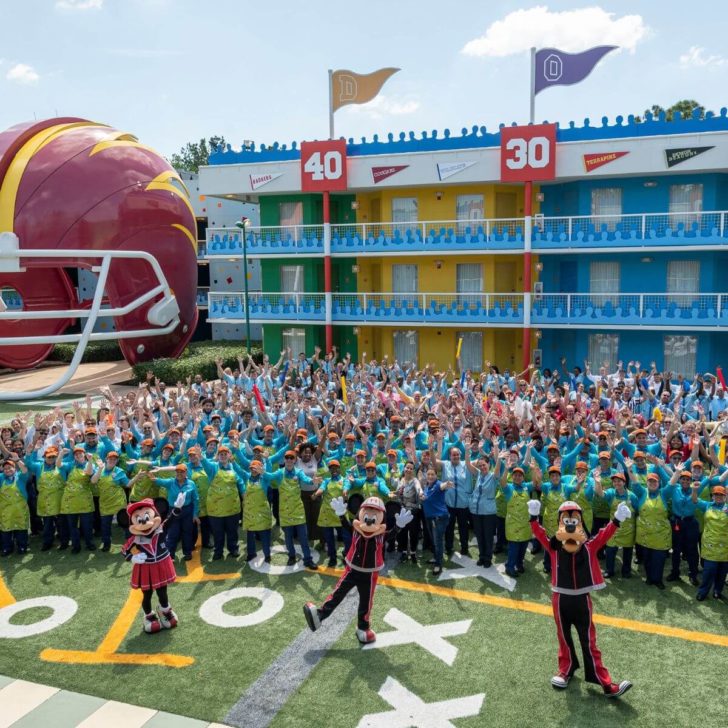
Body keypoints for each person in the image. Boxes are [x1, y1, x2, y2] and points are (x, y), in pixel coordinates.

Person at [266, 451, 319, 569]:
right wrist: (264, 468)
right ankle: (291, 556)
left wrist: (312, 481)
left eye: (292, 458)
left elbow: (306, 479)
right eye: (287, 458)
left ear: (295, 460)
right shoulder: (280, 473)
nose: (289, 460)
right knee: (288, 537)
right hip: (284, 511)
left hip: (298, 510)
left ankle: (308, 559)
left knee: (303, 537)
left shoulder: (299, 472)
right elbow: (269, 476)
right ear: (284, 460)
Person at [147, 463, 200, 560]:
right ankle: (170, 554)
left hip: (187, 510)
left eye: (182, 472)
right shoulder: (170, 482)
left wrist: (195, 514)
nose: (179, 473)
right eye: (177, 472)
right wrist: (150, 474)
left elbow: (195, 499)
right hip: (173, 511)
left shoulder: (191, 483)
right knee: (172, 532)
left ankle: (187, 552)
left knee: (187, 532)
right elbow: (157, 481)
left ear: (186, 473)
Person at [692, 484, 728, 601]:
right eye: (716, 495)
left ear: (725, 496)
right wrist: (695, 490)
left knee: (722, 573)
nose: (718, 497)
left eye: (721, 495)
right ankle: (703, 592)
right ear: (712, 496)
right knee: (708, 571)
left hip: (725, 547)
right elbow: (695, 499)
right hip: (709, 545)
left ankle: (717, 591)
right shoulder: (707, 505)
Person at [313, 460, 350, 567]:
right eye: (331, 468)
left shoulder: (345, 480)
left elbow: (346, 488)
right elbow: (321, 489)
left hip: (341, 513)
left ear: (339, 469)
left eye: (336, 468)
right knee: (329, 539)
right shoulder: (326, 480)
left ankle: (347, 555)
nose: (334, 470)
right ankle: (332, 558)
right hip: (327, 513)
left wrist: (345, 493)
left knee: (347, 537)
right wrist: (316, 494)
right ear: (329, 470)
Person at [90, 450, 129, 551]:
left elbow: (127, 484)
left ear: (117, 461)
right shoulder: (100, 470)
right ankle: (106, 544)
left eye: (114, 459)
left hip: (118, 502)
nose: (112, 460)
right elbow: (93, 481)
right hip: (105, 502)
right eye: (110, 458)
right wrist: (99, 468)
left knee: (125, 523)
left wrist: (137, 477)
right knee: (105, 525)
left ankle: (130, 543)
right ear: (106, 459)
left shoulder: (119, 471)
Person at [59, 447, 96, 553]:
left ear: (84, 454)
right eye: (76, 454)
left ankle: (89, 543)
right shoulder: (70, 465)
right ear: (74, 456)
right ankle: (76, 546)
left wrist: (89, 461)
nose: (78, 455)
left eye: (80, 453)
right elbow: (58, 465)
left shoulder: (90, 464)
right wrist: (61, 454)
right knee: (72, 526)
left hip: (85, 500)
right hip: (70, 500)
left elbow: (89, 473)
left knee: (87, 525)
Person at [466, 450, 498, 568]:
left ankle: (488, 558)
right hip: (476, 511)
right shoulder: (479, 474)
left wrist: (498, 458)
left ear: (489, 464)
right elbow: (468, 465)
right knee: (479, 535)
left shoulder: (493, 476)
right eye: (480, 466)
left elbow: (498, 468)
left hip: (489, 513)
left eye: (484, 465)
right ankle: (481, 556)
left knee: (488, 536)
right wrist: (467, 450)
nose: (482, 467)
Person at [421, 467, 452, 575]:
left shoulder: (438, 484)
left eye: (432, 474)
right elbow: (426, 497)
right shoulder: (427, 486)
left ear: (436, 475)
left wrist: (446, 484)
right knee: (434, 541)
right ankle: (436, 557)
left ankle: (438, 564)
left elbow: (442, 486)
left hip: (438, 518)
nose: (430, 476)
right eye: (428, 474)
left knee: (438, 541)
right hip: (430, 518)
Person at [395, 460, 424, 563]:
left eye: (411, 468)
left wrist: (420, 493)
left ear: (413, 470)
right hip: (402, 510)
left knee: (413, 533)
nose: (409, 470)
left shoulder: (415, 480)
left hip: (413, 512)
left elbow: (419, 488)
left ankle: (412, 552)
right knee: (402, 532)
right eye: (407, 467)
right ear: (404, 468)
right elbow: (397, 494)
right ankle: (403, 552)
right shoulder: (400, 480)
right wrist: (395, 494)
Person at [0, 455, 30, 556]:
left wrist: (17, 460)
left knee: (21, 529)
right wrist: (1, 462)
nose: (7, 470)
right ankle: (7, 548)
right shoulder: (1, 479)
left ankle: (22, 546)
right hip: (5, 510)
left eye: (10, 468)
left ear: (14, 468)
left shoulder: (20, 477)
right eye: (5, 469)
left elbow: (25, 470)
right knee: (6, 530)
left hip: (20, 509)